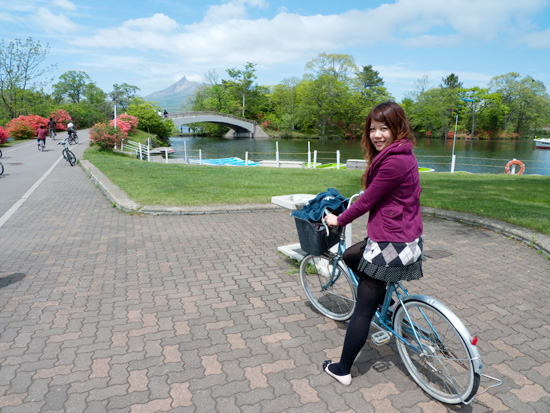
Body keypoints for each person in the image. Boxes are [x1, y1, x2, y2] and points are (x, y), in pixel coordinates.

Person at [323, 101, 423, 386]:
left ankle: (342, 369)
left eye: (384, 128)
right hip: (404, 237)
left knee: (363, 311)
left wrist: (339, 220)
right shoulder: (404, 153)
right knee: (352, 256)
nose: (377, 135)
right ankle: (388, 305)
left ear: (398, 128)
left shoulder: (393, 161)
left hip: (391, 245)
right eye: (373, 129)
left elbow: (367, 200)